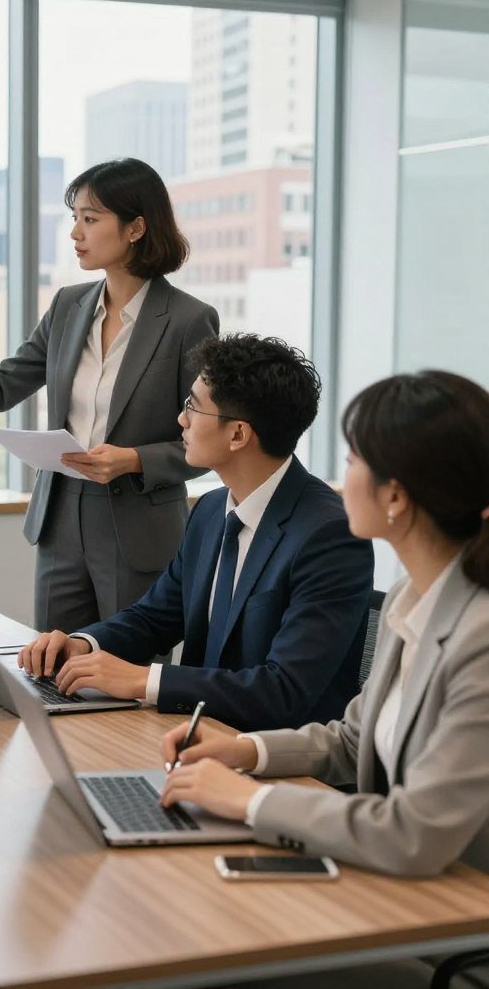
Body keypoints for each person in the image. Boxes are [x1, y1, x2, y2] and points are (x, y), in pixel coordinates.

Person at [0, 158, 219, 631]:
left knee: (124, 667)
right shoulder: (69, 306)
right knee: (52, 663)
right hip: (61, 517)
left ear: (135, 228)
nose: (75, 233)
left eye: (90, 219)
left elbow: (206, 444)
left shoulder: (189, 320)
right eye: (75, 219)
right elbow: (0, 388)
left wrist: (132, 459)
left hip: (137, 526)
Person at [158, 370, 489, 876]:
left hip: (455, 906)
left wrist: (250, 802)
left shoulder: (479, 637)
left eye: (353, 460)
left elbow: (414, 832)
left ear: (395, 497)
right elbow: (352, 740)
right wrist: (244, 750)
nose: (340, 476)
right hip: (394, 882)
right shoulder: (413, 595)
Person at [20, 334, 374, 732]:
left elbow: (285, 690)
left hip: (279, 759)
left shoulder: (329, 535)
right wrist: (82, 644)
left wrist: (142, 680)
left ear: (238, 434)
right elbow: (155, 617)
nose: (181, 420)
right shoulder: (209, 509)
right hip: (195, 734)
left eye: (193, 406)